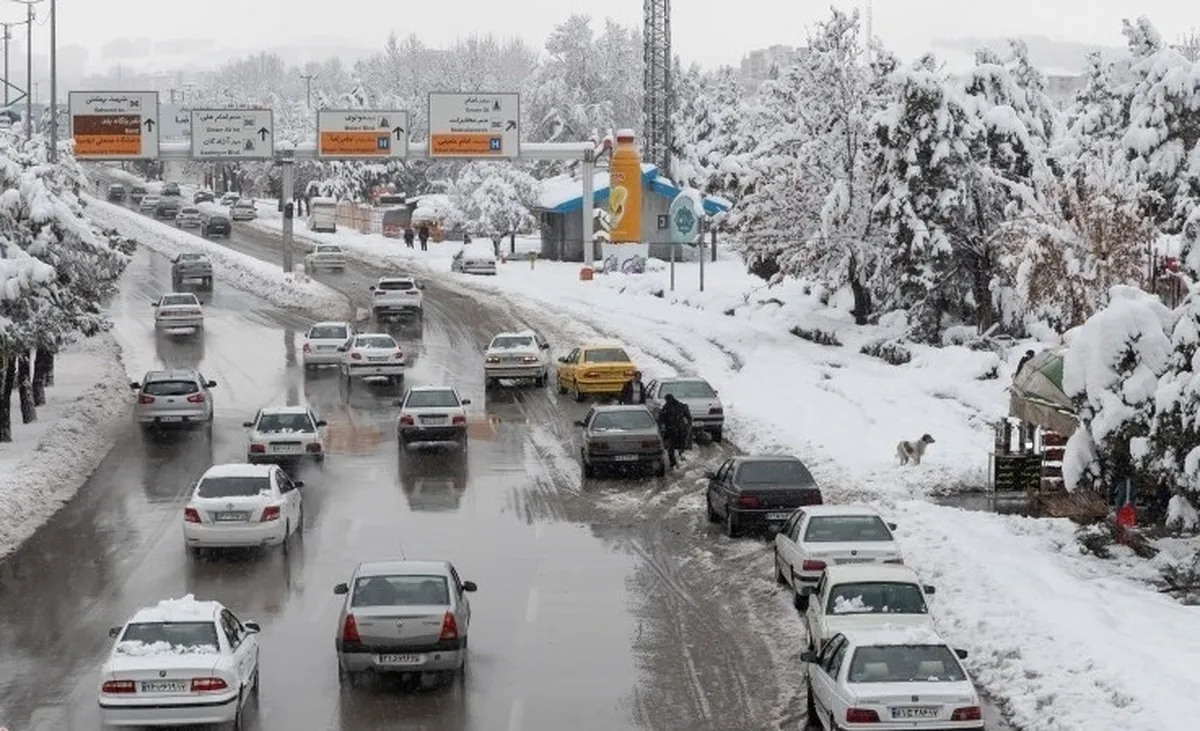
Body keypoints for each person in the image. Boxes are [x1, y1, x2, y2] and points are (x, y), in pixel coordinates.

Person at [658, 394, 692, 470]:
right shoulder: (681, 406)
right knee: (679, 446)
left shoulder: (667, 407)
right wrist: (688, 425)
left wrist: (662, 426)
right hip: (679, 430)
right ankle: (678, 460)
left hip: (673, 430)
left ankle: (674, 463)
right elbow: (689, 418)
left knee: (671, 448)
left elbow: (660, 418)